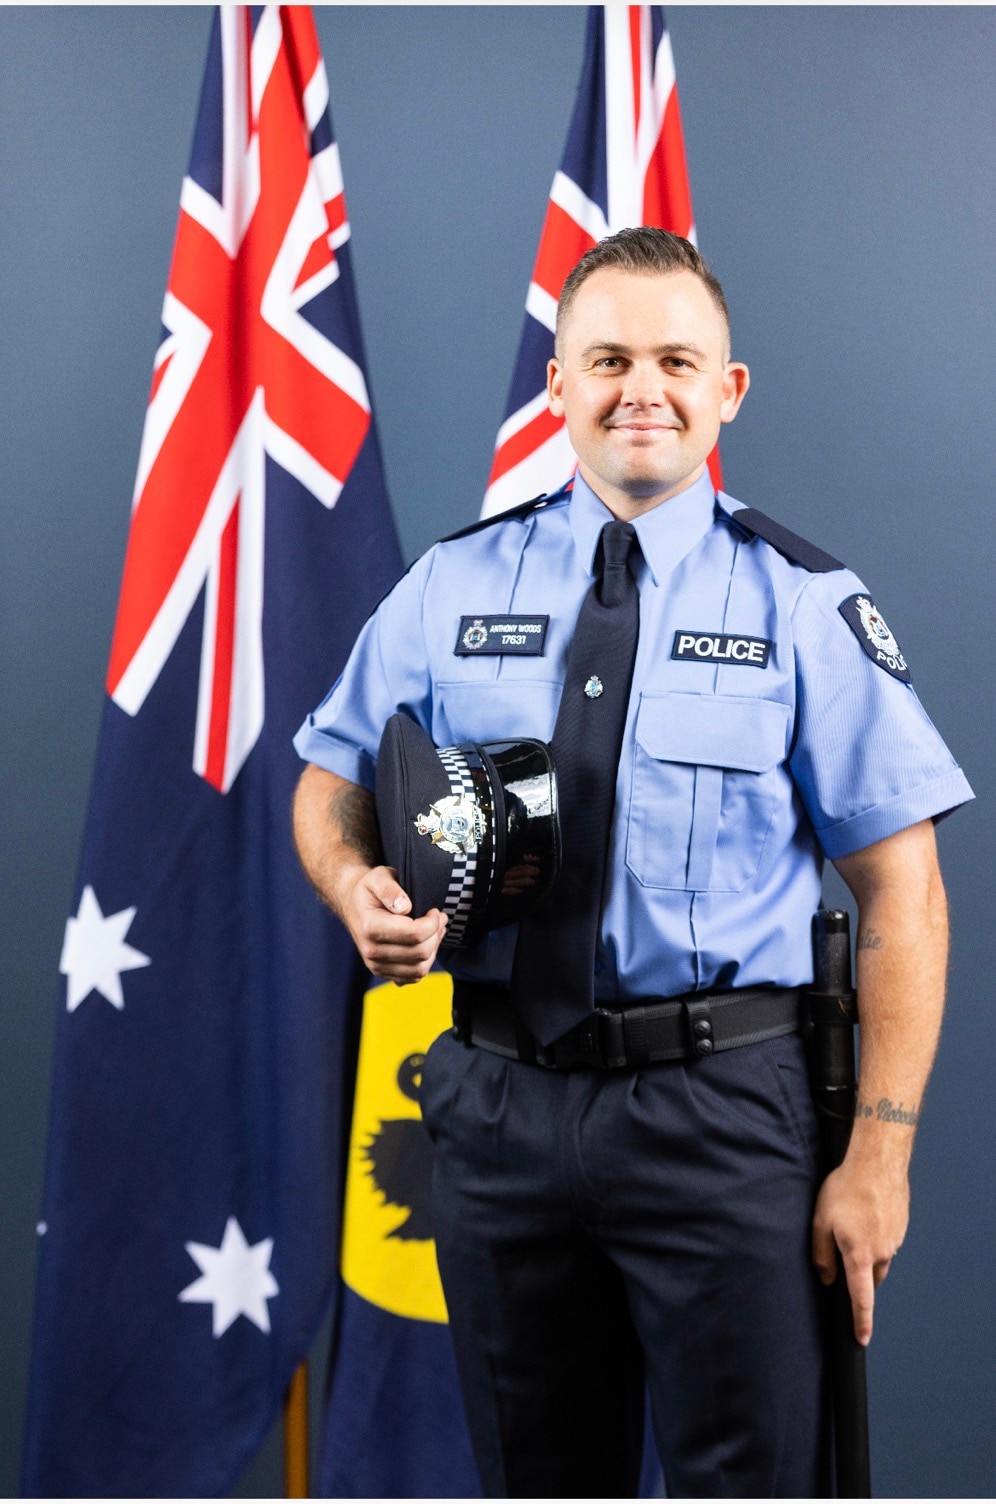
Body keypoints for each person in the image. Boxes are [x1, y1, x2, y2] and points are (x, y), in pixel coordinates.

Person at [291, 228, 972, 1498]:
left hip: (723, 1114)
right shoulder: (448, 588)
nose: (640, 389)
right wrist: (351, 886)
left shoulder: (803, 607)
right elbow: (326, 784)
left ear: (730, 390)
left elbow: (904, 894)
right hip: (501, 1108)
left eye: (675, 359)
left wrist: (880, 1152)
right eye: (606, 359)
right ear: (556, 385)